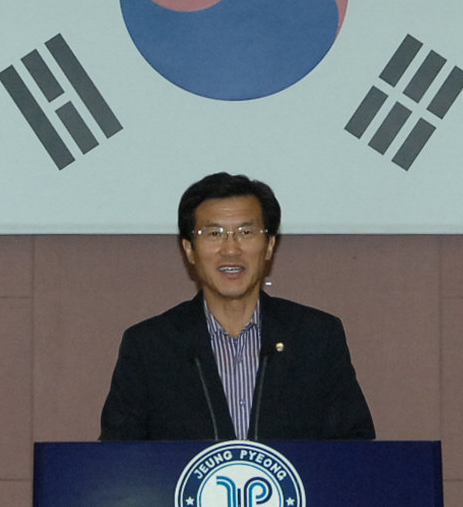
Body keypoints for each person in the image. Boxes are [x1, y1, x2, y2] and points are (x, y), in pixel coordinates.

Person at [99, 172, 376, 441]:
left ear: (269, 245)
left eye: (245, 232)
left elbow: (354, 449)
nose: (231, 249)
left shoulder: (316, 338)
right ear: (189, 249)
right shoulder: (150, 346)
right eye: (214, 233)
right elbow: (118, 457)